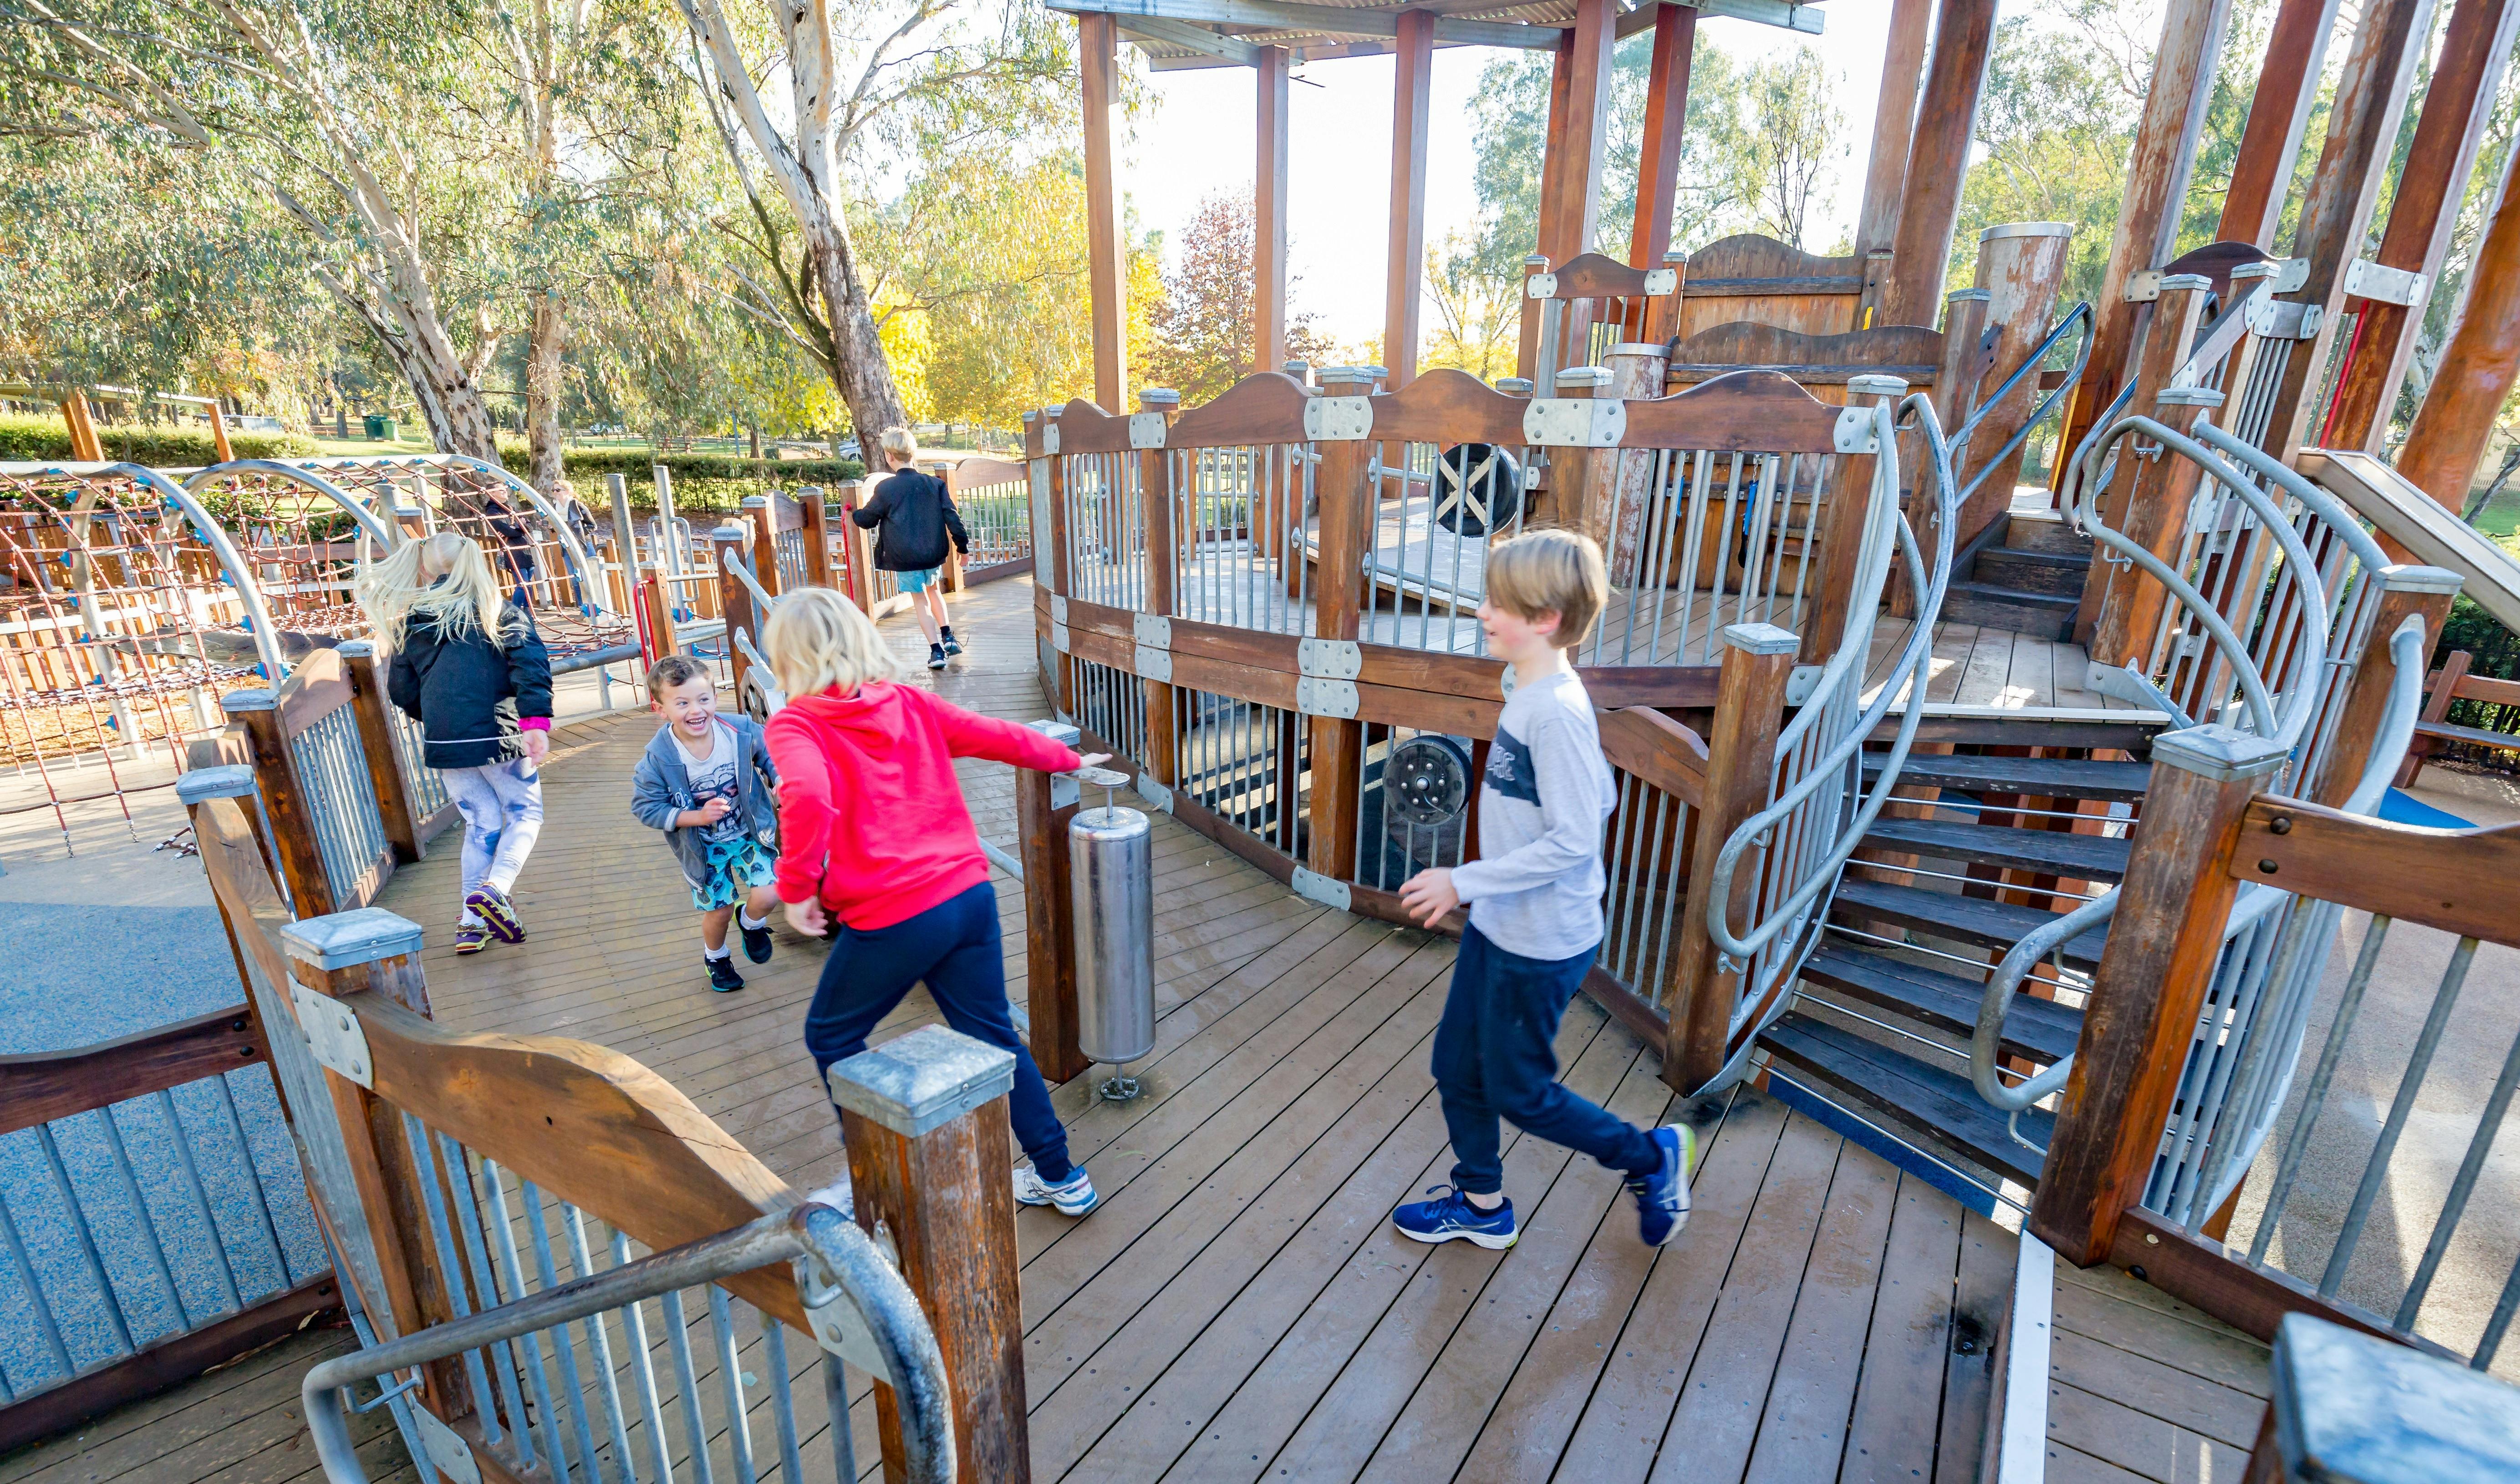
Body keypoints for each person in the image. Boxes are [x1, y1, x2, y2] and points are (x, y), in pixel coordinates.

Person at [1391, 529, 1694, 1251]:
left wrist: (1462, 879)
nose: (1483, 612)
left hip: (1539, 940)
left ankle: (1651, 1157)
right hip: (1501, 925)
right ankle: (1480, 1202)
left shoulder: (1553, 710)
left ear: (1546, 620)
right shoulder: (1531, 690)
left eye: (1500, 604)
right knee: (1455, 1067)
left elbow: (1573, 838)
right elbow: (1598, 799)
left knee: (1519, 1092)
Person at [760, 586, 1107, 1215]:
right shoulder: (908, 703)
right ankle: (1062, 1176)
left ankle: (873, 1181)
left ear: (787, 657)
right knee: (995, 1034)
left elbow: (807, 796)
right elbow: (993, 735)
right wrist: (1066, 758)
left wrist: (797, 890)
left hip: (894, 914)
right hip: (968, 897)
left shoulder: (796, 723)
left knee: (831, 1035)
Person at [358, 532, 552, 955]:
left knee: (481, 824)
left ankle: (470, 923)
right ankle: (495, 890)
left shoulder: (415, 621)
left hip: (445, 739)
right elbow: (530, 664)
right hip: (496, 732)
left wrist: (440, 719)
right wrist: (535, 722)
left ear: (426, 569)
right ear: (477, 564)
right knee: (525, 813)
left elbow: (402, 689)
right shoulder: (498, 612)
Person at [631, 655, 783, 992]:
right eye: (682, 703)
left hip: (750, 834)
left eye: (704, 699)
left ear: (715, 697)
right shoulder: (658, 759)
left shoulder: (738, 731)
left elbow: (770, 750)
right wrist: (696, 817)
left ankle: (752, 923)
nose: (696, 710)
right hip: (703, 848)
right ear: (660, 710)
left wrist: (780, 778)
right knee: (720, 910)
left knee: (771, 893)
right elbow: (646, 807)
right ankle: (716, 957)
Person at [850, 427, 968, 672]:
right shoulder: (935, 485)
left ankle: (936, 651)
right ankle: (947, 635)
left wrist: (854, 513)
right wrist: (962, 547)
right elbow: (953, 517)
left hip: (906, 557)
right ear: (913, 454)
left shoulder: (886, 489)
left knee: (920, 599)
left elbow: (867, 520)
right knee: (935, 591)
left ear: (889, 457)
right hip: (932, 554)